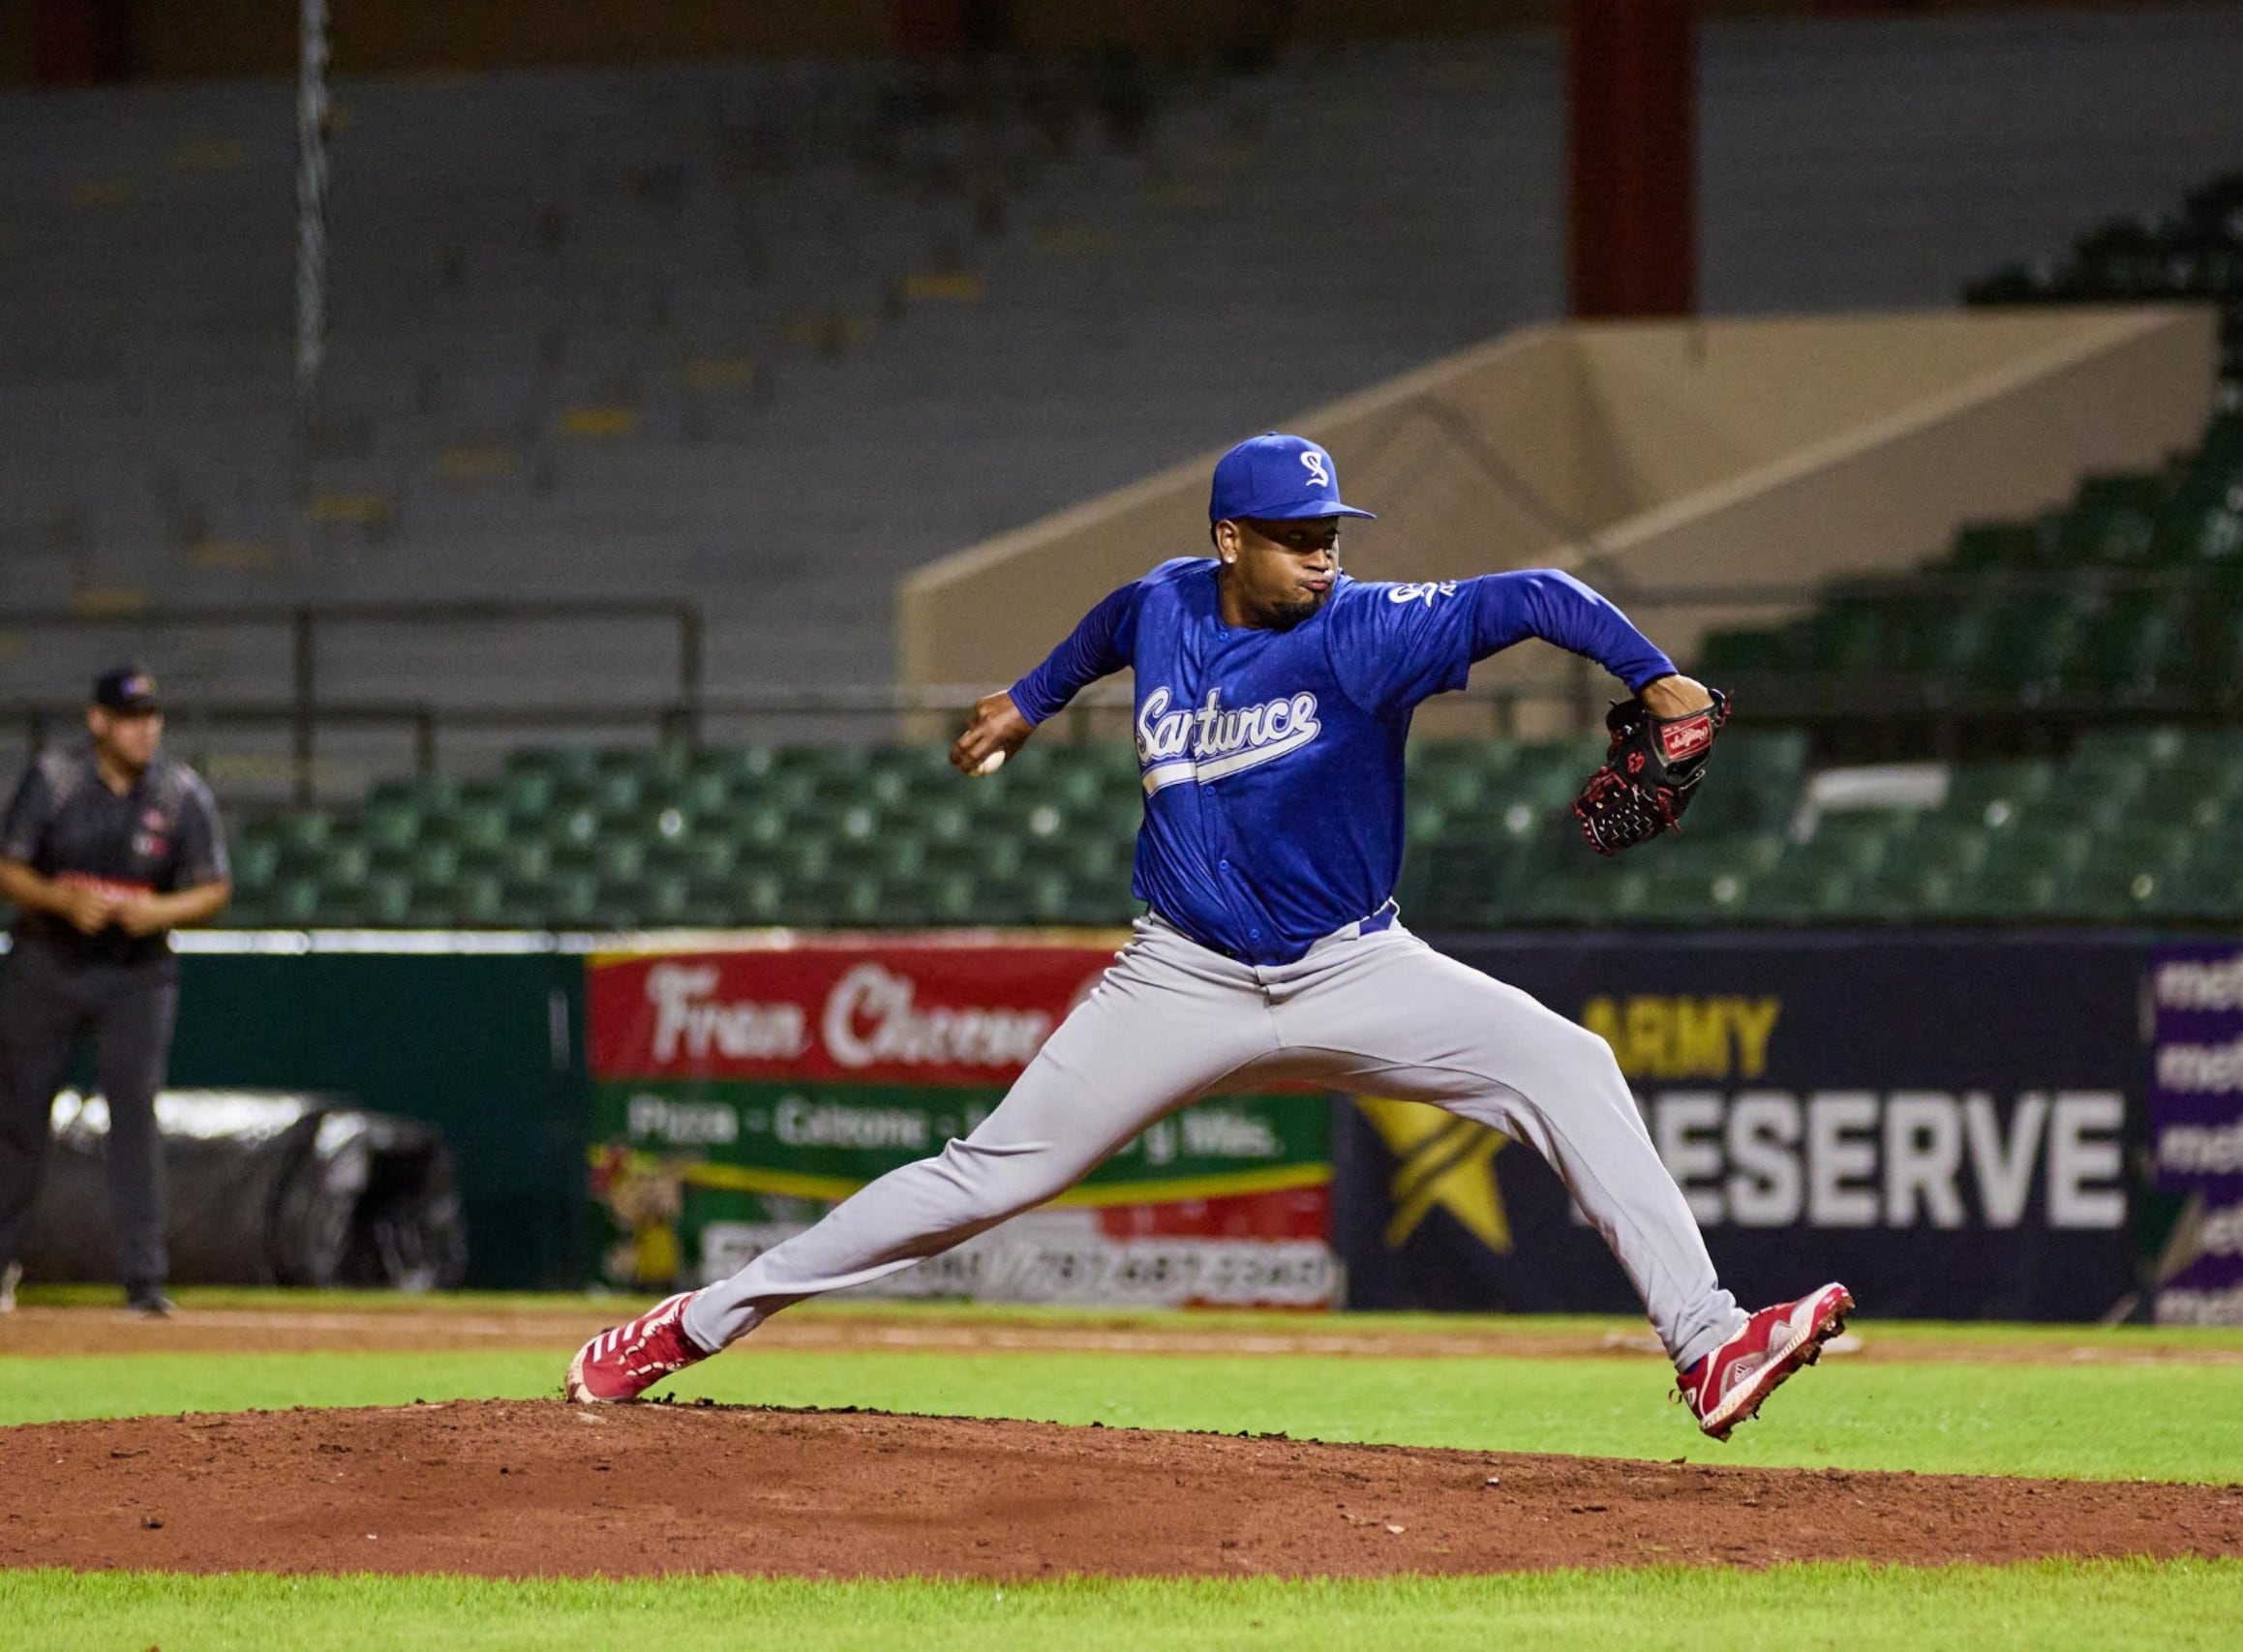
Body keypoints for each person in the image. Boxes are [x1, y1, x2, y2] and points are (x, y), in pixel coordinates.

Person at [567, 434, 1850, 1438]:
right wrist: (1026, 699)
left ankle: (1710, 1341)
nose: (1322, 557)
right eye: (1295, 539)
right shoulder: (1168, 603)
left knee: (1573, 1065)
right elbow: (1108, 632)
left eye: (1331, 534)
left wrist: (1661, 678)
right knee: (985, 1177)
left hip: (1354, 963)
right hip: (1177, 973)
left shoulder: (1365, 632)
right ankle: (696, 1321)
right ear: (1229, 539)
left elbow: (1532, 592)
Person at [0, 669, 230, 1317]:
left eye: (152, 716)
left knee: (135, 1114)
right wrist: (60, 899)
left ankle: (144, 1281)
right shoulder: (54, 779)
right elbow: (8, 865)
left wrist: (162, 913)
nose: (145, 727)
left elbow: (214, 887)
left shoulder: (180, 792)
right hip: (47, 961)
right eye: (130, 716)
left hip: (137, 971)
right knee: (18, 1115)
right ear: (98, 721)